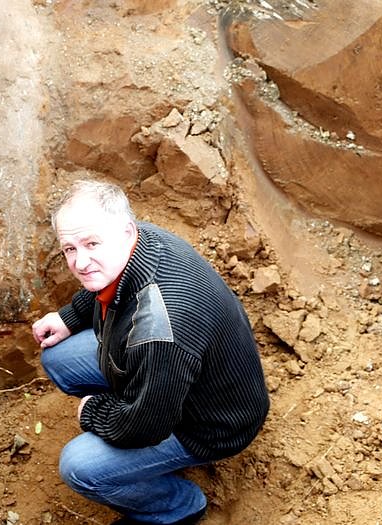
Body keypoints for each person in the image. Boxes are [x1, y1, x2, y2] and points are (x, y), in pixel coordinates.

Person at [31, 180, 270, 525]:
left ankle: (177, 507)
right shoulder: (141, 240)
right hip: (181, 374)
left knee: (79, 466)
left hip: (212, 425)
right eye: (70, 248)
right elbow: (103, 282)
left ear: (126, 231)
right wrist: (70, 317)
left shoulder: (159, 329)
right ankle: (139, 400)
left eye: (91, 244)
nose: (80, 262)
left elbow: (145, 427)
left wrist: (94, 411)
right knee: (59, 359)